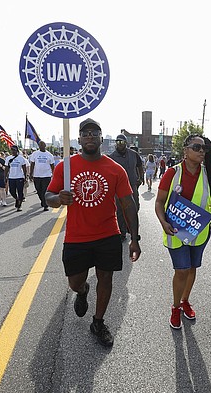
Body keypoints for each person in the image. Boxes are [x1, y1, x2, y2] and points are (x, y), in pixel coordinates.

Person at [45, 118, 141, 347]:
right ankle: (83, 290)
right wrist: (58, 198)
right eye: (85, 133)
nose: (89, 136)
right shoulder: (65, 167)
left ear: (100, 138)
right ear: (78, 139)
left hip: (108, 234)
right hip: (77, 236)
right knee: (75, 282)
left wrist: (134, 239)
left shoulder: (114, 169)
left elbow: (128, 204)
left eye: (94, 133)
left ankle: (98, 322)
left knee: (106, 278)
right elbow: (48, 197)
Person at [155, 134, 211, 329]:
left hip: (199, 231)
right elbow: (158, 202)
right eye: (196, 147)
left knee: (191, 268)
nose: (201, 151)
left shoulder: (210, 175)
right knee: (181, 270)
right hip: (175, 231)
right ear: (185, 150)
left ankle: (185, 300)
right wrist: (163, 222)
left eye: (204, 148)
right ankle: (175, 307)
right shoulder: (172, 173)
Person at [108, 134, 144, 241]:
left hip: (132, 185)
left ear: (126, 143)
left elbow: (139, 166)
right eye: (118, 142)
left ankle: (131, 228)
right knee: (120, 210)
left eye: (122, 142)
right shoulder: (112, 157)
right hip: (118, 188)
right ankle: (122, 232)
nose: (120, 144)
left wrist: (141, 178)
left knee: (135, 206)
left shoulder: (134, 154)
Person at [29, 140, 55, 211]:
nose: (41, 146)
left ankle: (45, 205)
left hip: (46, 176)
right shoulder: (35, 154)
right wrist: (31, 173)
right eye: (40, 145)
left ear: (45, 146)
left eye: (42, 145)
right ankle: (42, 201)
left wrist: (54, 174)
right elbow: (32, 164)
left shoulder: (49, 155)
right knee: (38, 190)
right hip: (37, 175)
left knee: (44, 190)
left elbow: (52, 165)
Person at [5, 145, 29, 212]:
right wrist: (5, 177)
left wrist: (25, 176)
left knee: (20, 191)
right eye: (12, 150)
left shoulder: (21, 158)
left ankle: (19, 205)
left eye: (14, 150)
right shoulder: (8, 158)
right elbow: (6, 168)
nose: (13, 151)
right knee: (12, 191)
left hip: (19, 177)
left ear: (17, 151)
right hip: (11, 177)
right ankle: (17, 199)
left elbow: (24, 168)